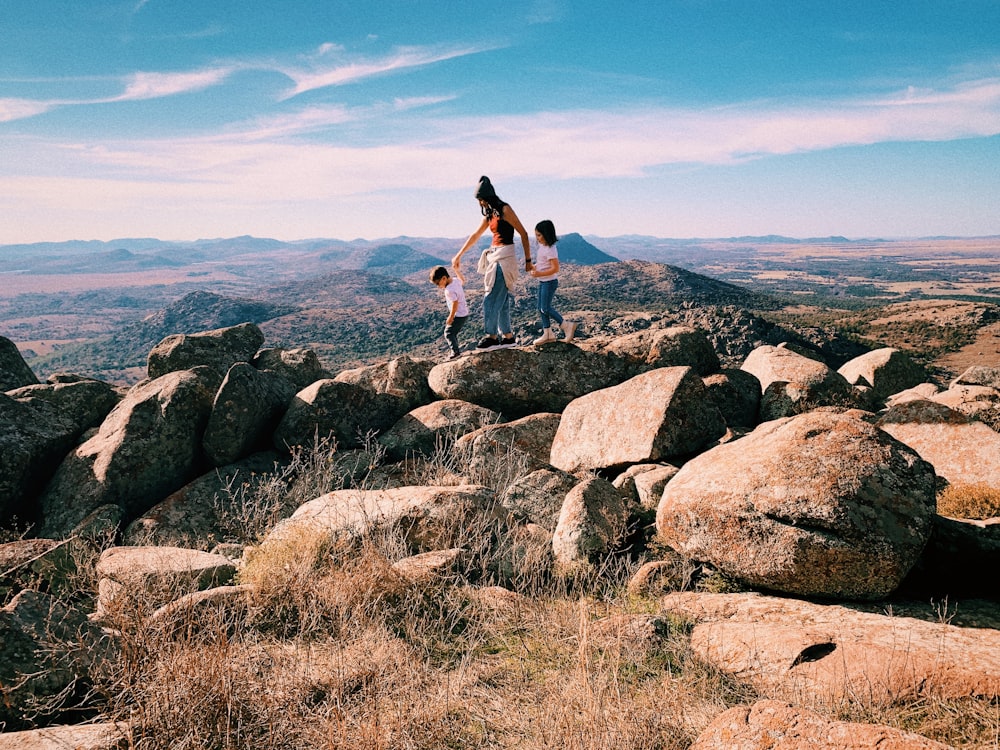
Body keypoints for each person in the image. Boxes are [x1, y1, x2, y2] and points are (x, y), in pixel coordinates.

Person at [452, 176, 532, 349]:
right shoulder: (490, 215)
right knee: (501, 301)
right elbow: (475, 235)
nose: (480, 204)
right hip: (494, 257)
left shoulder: (505, 209)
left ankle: (492, 337)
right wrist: (458, 255)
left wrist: (528, 261)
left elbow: (523, 233)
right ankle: (508, 337)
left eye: (480, 200)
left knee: (490, 300)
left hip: (504, 259)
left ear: (486, 198)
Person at [529, 219, 577, 344]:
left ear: (547, 234)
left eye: (539, 235)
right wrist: (534, 267)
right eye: (536, 235)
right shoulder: (542, 247)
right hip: (543, 281)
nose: (537, 238)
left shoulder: (550, 249)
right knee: (541, 308)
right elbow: (543, 263)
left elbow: (555, 268)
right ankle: (548, 333)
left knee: (545, 308)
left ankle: (566, 325)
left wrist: (539, 273)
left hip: (549, 282)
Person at [429, 265, 469, 359]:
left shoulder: (449, 290)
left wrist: (451, 317)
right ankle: (456, 351)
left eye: (438, 283)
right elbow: (462, 280)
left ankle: (455, 353)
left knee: (448, 333)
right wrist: (456, 270)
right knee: (453, 333)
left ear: (444, 278)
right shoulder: (455, 281)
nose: (438, 286)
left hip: (458, 315)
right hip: (464, 313)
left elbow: (455, 303)